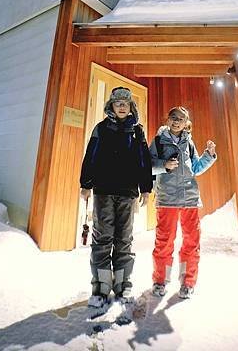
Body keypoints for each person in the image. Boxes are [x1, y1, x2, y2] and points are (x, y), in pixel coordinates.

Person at [80, 86, 153, 308]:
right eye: (118, 103)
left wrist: (146, 188)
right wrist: (86, 184)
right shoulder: (100, 129)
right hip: (103, 191)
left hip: (128, 193)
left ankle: (122, 284)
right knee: (102, 239)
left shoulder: (137, 131)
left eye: (126, 103)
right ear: (111, 106)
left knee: (124, 239)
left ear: (131, 107)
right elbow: (90, 156)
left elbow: (144, 161)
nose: (122, 106)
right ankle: (101, 287)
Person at [150, 106, 217, 299]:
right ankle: (160, 281)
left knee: (191, 242)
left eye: (181, 119)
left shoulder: (189, 142)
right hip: (167, 199)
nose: (176, 121)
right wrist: (164, 166)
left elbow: (195, 168)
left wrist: (208, 155)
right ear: (167, 119)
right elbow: (146, 165)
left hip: (190, 199)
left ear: (186, 123)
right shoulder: (158, 141)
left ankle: (188, 282)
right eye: (173, 117)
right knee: (164, 242)